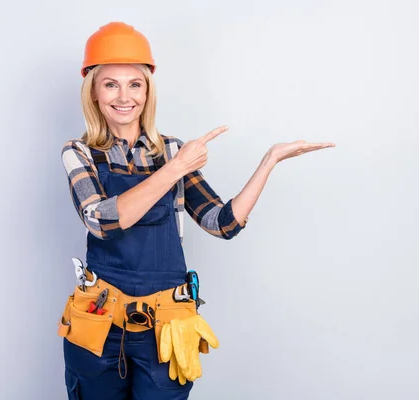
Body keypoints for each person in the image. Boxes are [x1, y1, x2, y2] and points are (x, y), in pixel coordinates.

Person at [57, 21, 335, 400]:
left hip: (165, 326)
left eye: (134, 84)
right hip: (99, 323)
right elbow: (102, 220)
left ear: (147, 91)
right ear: (93, 93)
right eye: (110, 84)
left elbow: (223, 224)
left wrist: (269, 161)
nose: (124, 96)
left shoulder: (173, 150)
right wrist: (176, 169)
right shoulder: (80, 152)